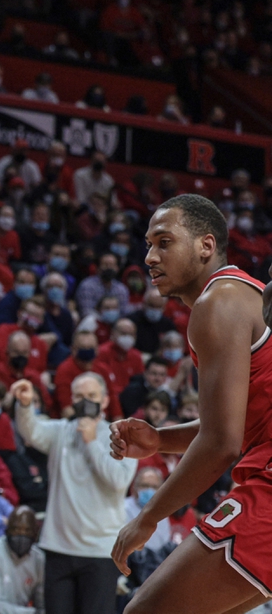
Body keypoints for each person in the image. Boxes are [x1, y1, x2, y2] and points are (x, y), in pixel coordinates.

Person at [108, 195, 272, 614]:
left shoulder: (217, 304)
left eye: (164, 242)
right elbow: (233, 424)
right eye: (148, 244)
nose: (149, 256)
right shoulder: (244, 293)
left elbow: (222, 444)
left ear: (206, 245)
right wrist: (160, 439)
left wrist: (148, 516)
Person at [11, 374, 136, 614]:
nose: (85, 401)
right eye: (79, 396)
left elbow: (118, 481)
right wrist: (25, 405)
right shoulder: (60, 431)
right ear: (71, 400)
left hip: (101, 550)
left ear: (105, 401)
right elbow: (31, 431)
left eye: (91, 396)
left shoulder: (123, 437)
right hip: (59, 547)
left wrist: (91, 442)